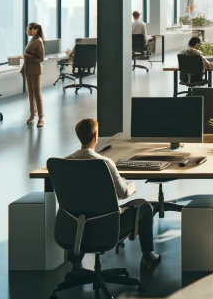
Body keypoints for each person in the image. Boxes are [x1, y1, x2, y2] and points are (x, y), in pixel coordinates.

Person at [65, 118, 161, 271]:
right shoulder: (105, 163)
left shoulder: (65, 163)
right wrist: (132, 186)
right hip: (107, 227)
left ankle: (76, 263)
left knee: (84, 208)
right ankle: (148, 256)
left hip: (77, 227)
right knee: (145, 206)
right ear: (96, 137)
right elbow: (123, 194)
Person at [22, 23, 46, 127]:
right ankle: (32, 115)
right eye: (28, 29)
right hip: (28, 70)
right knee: (30, 94)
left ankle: (41, 118)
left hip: (35, 70)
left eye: (30, 30)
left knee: (37, 95)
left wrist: (29, 56)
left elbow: (41, 59)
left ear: (36, 30)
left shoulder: (38, 41)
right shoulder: (32, 40)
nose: (28, 31)